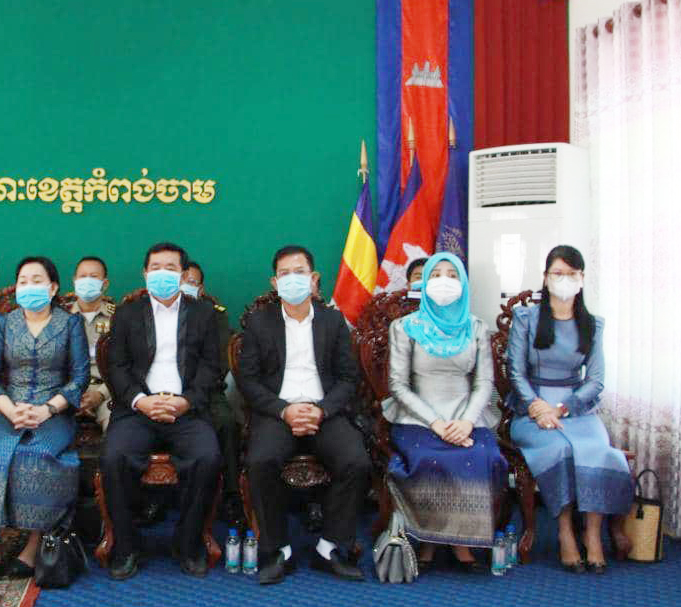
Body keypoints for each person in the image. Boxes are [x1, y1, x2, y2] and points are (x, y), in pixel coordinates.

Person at [237, 245, 370, 585]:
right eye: (284, 274)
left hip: (323, 410)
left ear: (313, 279)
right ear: (274, 282)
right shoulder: (259, 322)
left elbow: (348, 378)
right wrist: (284, 410)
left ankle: (330, 547)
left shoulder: (332, 320)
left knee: (356, 461)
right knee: (261, 461)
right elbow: (248, 381)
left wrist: (321, 410)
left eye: (299, 272)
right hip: (277, 411)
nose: (292, 279)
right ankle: (278, 549)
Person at [0, 256, 89, 578]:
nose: (29, 286)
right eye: (23, 281)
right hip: (9, 411)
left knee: (37, 456)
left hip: (53, 412)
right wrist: (10, 409)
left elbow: (80, 377)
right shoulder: (5, 323)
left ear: (53, 287)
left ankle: (33, 545)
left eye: (37, 280)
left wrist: (47, 409)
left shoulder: (70, 324)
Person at [507, 245, 633, 574]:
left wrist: (561, 409)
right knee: (559, 450)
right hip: (531, 410)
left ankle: (592, 533)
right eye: (558, 273)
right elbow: (515, 372)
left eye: (571, 274)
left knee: (599, 451)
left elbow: (595, 380)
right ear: (546, 277)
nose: (564, 280)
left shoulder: (593, 324)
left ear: (582, 278)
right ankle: (564, 530)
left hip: (576, 410)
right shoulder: (526, 319)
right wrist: (538, 407)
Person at [100, 242, 222, 580]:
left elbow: (212, 367)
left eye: (170, 268)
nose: (162, 274)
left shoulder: (204, 314)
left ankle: (188, 543)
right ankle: (127, 546)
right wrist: (141, 400)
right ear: (145, 273)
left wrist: (186, 401)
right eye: (155, 267)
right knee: (114, 457)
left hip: (186, 409)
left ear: (183, 275)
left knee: (207, 457)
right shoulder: (127, 314)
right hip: (138, 408)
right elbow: (117, 367)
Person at [382, 252, 507, 573]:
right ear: (424, 283)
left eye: (452, 275)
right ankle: (430, 538)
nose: (444, 281)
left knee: (482, 456)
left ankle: (459, 542)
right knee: (429, 456)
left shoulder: (476, 327)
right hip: (417, 416)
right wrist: (436, 424)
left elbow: (484, 383)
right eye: (436, 274)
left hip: (468, 415)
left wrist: (465, 422)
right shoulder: (405, 327)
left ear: (463, 283)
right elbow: (398, 385)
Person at [180, 261, 245, 529]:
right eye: (181, 280)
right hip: (162, 395)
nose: (185, 286)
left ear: (201, 289)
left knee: (227, 423)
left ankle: (231, 495)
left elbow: (218, 362)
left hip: (206, 391)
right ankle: (152, 499)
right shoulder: (148, 313)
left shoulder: (214, 315)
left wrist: (194, 392)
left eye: (192, 282)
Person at [68, 256, 115, 430]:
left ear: (105, 283)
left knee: (116, 431)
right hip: (67, 393)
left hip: (108, 392)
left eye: (94, 277)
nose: (87, 280)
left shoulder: (118, 317)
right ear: (74, 281)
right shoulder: (61, 317)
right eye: (82, 276)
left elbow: (124, 365)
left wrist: (100, 394)